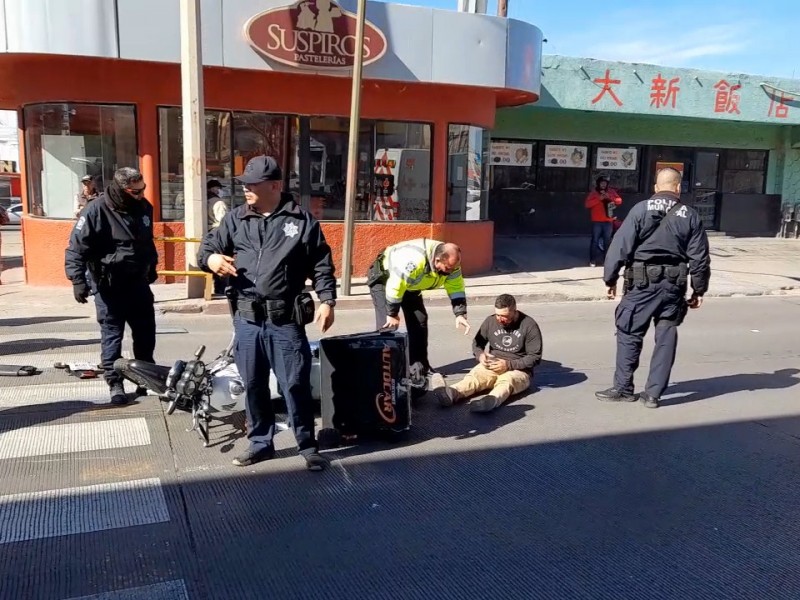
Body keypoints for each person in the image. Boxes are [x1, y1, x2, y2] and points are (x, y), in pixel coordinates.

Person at [198, 155, 336, 471]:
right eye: (244, 183)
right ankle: (261, 443)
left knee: (294, 384)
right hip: (247, 320)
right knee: (254, 384)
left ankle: (307, 445)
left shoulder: (301, 222)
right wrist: (212, 261)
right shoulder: (235, 219)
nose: (246, 189)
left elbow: (321, 265)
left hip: (285, 320)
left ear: (274, 185)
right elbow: (206, 250)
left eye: (253, 184)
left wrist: (327, 300)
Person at [596, 167, 710, 409]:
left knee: (629, 332)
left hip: (641, 284)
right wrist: (698, 290)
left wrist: (610, 279)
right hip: (674, 286)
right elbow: (699, 258)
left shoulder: (640, 209)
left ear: (656, 188)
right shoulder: (690, 215)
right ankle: (653, 394)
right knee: (666, 336)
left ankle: (624, 388)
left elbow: (620, 246)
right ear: (678, 188)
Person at [65, 167, 158, 406]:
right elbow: (76, 248)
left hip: (137, 284)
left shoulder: (144, 207)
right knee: (112, 337)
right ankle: (115, 383)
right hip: (109, 287)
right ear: (120, 189)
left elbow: (148, 242)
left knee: (145, 336)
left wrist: (152, 266)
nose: (140, 195)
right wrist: (77, 280)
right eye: (134, 192)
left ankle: (144, 379)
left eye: (142, 190)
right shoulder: (96, 210)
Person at [366, 238, 471, 383]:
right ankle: (386, 375)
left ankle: (419, 368)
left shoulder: (452, 264)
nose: (451, 271)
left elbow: (456, 287)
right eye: (448, 268)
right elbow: (395, 285)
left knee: (419, 320)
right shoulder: (414, 260)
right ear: (437, 260)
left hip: (411, 284)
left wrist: (460, 314)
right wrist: (392, 314)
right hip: (385, 279)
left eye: (454, 268)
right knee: (387, 326)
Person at [431, 294, 542, 413]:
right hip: (492, 365)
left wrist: (508, 365)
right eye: (498, 315)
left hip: (519, 370)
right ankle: (449, 393)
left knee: (507, 381)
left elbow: (535, 357)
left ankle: (490, 401)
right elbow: (477, 343)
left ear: (514, 311)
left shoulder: (529, 325)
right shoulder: (490, 321)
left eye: (504, 316)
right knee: (474, 378)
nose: (500, 319)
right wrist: (480, 355)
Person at [585, 176, 622, 266]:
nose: (603, 185)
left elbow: (619, 201)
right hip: (597, 221)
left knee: (607, 241)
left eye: (605, 183)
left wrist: (610, 198)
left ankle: (606, 260)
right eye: (602, 183)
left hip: (608, 221)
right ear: (598, 183)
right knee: (595, 241)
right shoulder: (594, 193)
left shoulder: (611, 191)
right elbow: (587, 204)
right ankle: (592, 260)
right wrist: (599, 199)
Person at [206, 179, 229, 295]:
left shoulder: (206, 201)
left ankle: (218, 288)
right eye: (218, 188)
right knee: (222, 262)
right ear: (212, 189)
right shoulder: (219, 203)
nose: (221, 190)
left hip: (209, 234)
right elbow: (224, 222)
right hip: (218, 234)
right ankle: (221, 289)